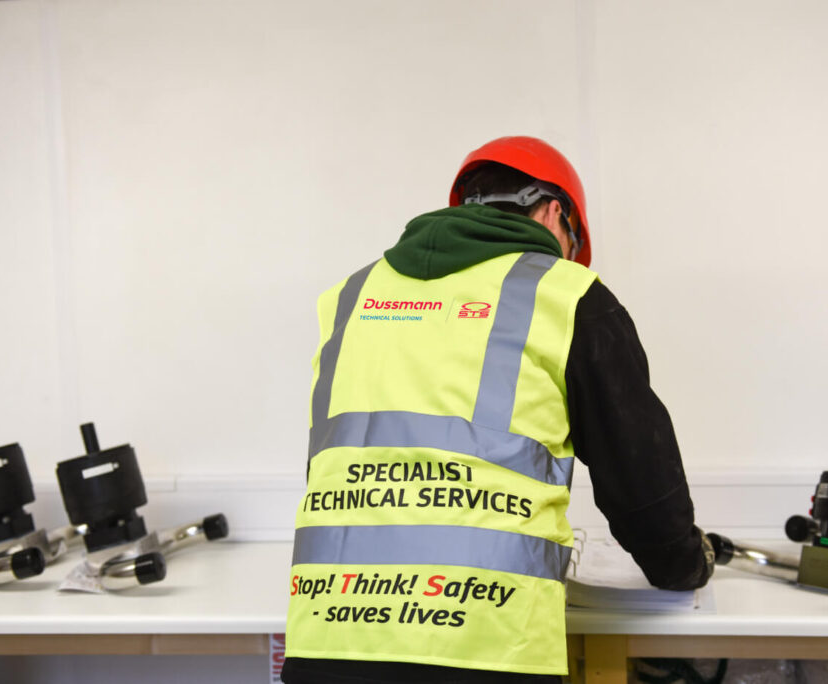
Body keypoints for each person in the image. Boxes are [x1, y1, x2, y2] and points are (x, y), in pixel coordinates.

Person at [282, 136, 713, 684]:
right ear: (556, 213)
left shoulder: (352, 295)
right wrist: (684, 565)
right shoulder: (566, 295)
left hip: (329, 640)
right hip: (486, 647)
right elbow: (640, 478)